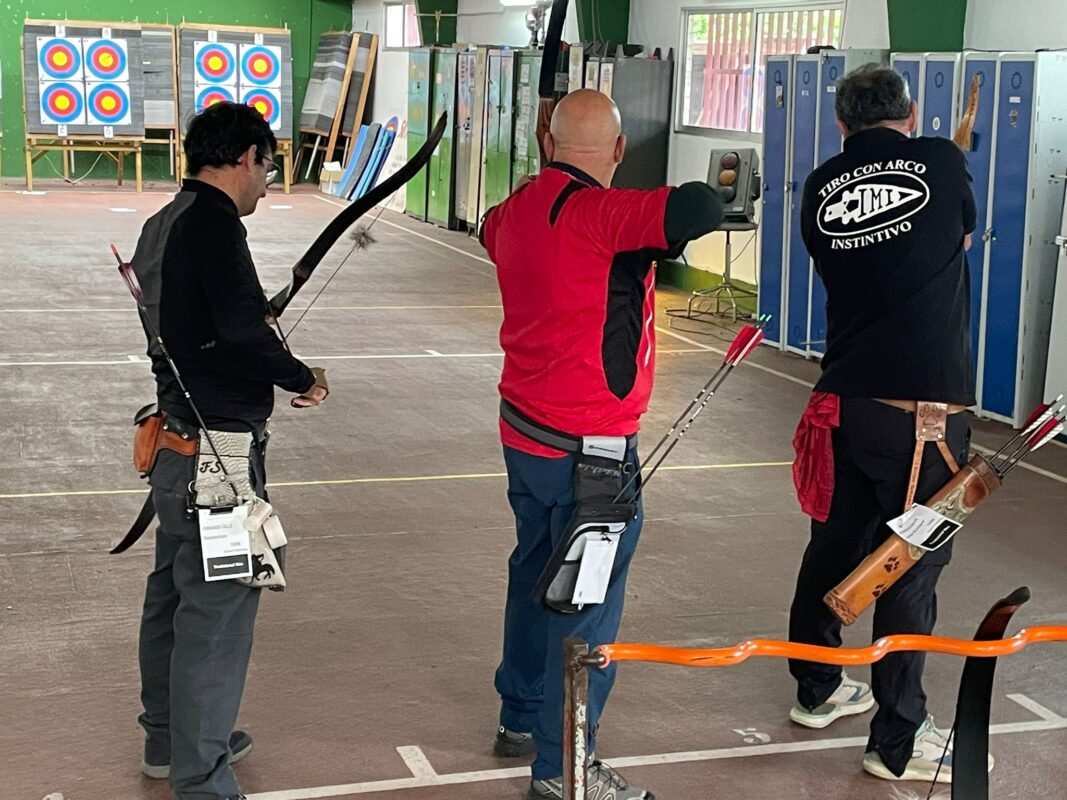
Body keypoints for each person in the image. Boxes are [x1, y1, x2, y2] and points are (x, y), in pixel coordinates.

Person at [480, 88, 724, 800]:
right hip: (590, 455)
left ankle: (519, 713)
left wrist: (543, 164)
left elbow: (507, 222)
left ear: (546, 143)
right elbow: (702, 207)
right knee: (588, 610)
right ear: (618, 151)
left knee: (534, 576)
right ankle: (563, 769)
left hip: (523, 436)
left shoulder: (510, 213)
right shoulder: (605, 215)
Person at [787, 65, 983, 784]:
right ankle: (894, 742)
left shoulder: (819, 186)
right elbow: (954, 236)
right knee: (911, 573)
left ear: (840, 125)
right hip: (922, 423)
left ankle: (817, 688)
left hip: (846, 406)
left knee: (834, 548)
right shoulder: (938, 158)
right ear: (907, 114)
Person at [129, 101, 328, 800]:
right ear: (244, 157)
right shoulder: (212, 226)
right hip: (216, 455)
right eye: (268, 165)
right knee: (216, 615)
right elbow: (241, 332)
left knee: (173, 596)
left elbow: (211, 325)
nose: (268, 182)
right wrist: (306, 378)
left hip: (179, 442)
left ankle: (169, 738)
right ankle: (203, 778)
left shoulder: (167, 222)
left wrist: (249, 328)